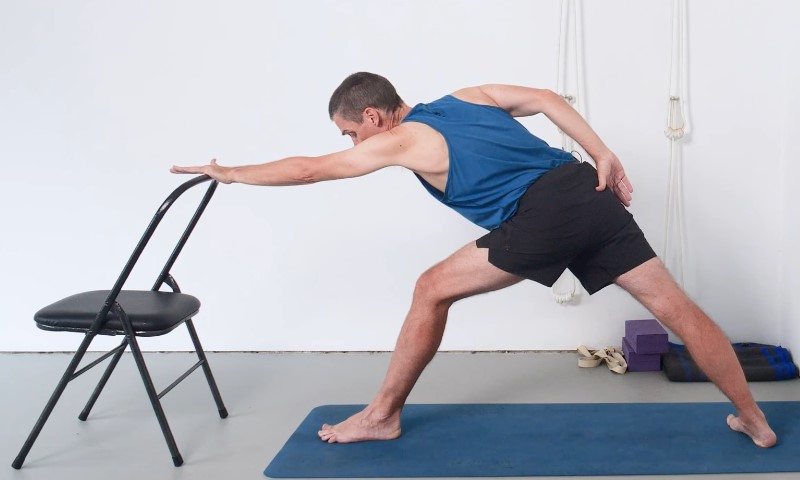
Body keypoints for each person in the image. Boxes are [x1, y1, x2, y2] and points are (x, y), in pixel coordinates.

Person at [171, 72, 777, 448]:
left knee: (430, 288)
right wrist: (603, 154)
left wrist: (232, 173)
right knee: (676, 308)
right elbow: (544, 98)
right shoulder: (466, 96)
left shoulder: (401, 138)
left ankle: (382, 415)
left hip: (542, 212)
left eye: (351, 133)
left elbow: (311, 170)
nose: (354, 145)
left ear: (374, 117)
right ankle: (753, 418)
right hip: (586, 191)